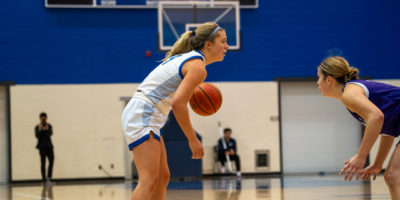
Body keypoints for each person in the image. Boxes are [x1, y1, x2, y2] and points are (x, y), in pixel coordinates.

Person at [121, 22, 228, 200]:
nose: (227, 46)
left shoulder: (190, 59)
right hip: (144, 112)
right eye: (223, 41)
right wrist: (193, 140)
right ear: (208, 44)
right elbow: (179, 104)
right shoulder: (197, 66)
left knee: (162, 177)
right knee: (149, 180)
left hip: (148, 114)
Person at [317, 56, 400, 199]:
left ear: (329, 80)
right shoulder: (352, 95)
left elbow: (376, 116)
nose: (317, 82)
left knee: (393, 176)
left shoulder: (349, 93)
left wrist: (361, 156)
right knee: (392, 177)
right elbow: (388, 132)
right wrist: (377, 165)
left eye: (319, 78)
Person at [35, 112, 55, 183]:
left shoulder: (49, 126)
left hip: (49, 146)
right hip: (42, 147)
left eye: (44, 117)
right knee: (43, 162)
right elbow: (37, 136)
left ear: (46, 118)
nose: (43, 119)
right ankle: (43, 179)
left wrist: (47, 130)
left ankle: (49, 177)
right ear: (40, 118)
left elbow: (50, 134)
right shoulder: (37, 127)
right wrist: (40, 130)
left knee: (51, 161)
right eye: (42, 118)